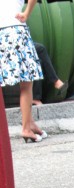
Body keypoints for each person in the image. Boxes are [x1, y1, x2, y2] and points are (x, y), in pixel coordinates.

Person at [0, 0, 46, 143]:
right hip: (15, 29)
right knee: (26, 83)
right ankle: (26, 128)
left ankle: (30, 123)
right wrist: (26, 13)